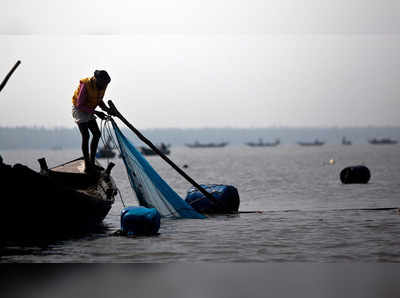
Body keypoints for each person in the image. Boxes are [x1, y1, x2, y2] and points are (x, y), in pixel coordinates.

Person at [72, 70, 114, 173]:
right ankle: (87, 165)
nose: (105, 85)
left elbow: (98, 99)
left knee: (97, 134)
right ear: (97, 80)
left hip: (90, 109)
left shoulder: (103, 85)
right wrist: (96, 113)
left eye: (106, 84)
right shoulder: (86, 85)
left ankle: (92, 162)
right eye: (103, 83)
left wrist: (106, 109)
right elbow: (80, 105)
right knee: (86, 136)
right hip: (80, 110)